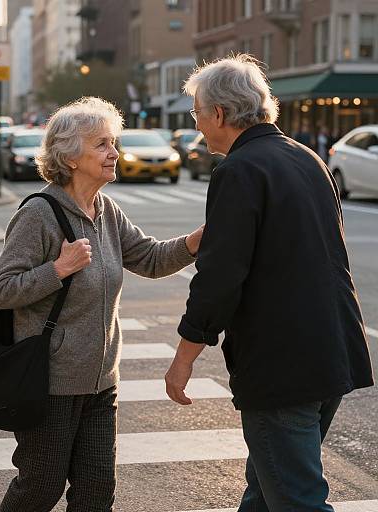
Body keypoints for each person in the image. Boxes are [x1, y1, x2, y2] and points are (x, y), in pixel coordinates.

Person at [165, 55, 374, 512]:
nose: (197, 125)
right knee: (267, 489)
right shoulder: (307, 158)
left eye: (197, 113)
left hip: (283, 365)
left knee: (296, 499)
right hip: (331, 351)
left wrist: (183, 359)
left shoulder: (239, 170)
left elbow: (219, 279)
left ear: (219, 113)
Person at [0, 97, 203, 512]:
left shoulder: (106, 210)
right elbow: (4, 290)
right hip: (50, 383)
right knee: (39, 488)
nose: (114, 153)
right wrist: (59, 268)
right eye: (102, 144)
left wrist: (196, 240)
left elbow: (151, 258)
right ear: (70, 156)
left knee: (95, 493)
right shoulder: (39, 213)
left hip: (102, 383)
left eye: (113, 142)